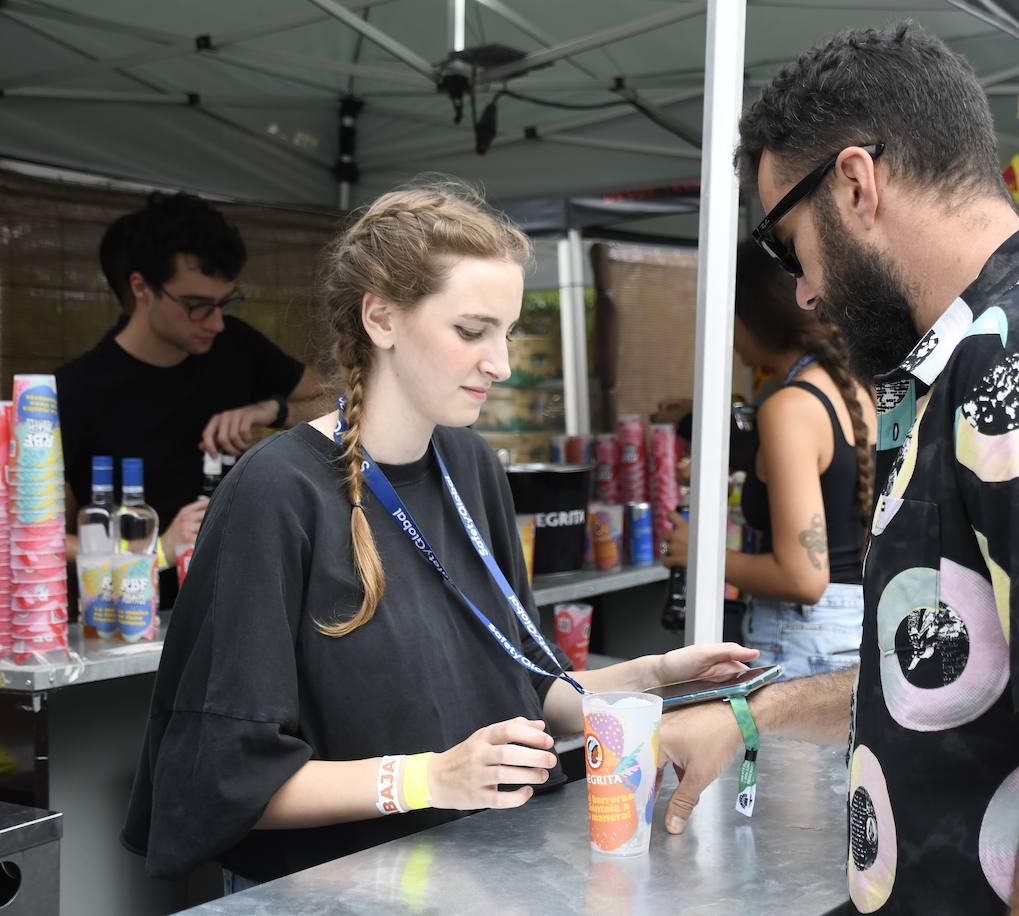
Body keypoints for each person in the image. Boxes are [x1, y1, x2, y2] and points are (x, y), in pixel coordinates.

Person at [658, 25, 1019, 914]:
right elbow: (963, 670)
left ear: (856, 184)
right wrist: (752, 715)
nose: (804, 290)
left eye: (788, 246)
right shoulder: (994, 350)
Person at [120, 181, 756, 891]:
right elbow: (223, 779)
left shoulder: (471, 465)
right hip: (334, 889)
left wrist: (652, 679)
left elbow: (525, 681)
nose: (501, 364)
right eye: (471, 331)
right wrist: (434, 777)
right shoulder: (277, 492)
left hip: (479, 873)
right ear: (381, 318)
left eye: (507, 333)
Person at [57, 192, 326, 586]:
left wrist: (273, 410)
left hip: (239, 598)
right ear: (141, 287)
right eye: (196, 305)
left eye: (224, 304)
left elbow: (343, 400)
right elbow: (41, 541)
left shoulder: (236, 345)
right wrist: (158, 549)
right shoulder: (74, 389)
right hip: (133, 617)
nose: (215, 323)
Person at [660, 240, 875, 677]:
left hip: (806, 642)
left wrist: (698, 553)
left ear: (749, 317)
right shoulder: (860, 388)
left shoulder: (791, 408)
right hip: (857, 626)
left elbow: (803, 580)